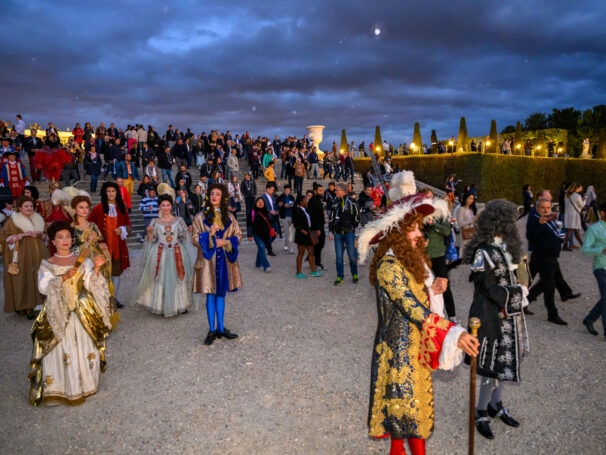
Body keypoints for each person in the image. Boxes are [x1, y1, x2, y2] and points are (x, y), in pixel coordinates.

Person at [357, 195, 479, 455]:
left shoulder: (407, 260)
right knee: (408, 417)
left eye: (418, 227)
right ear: (397, 233)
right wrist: (453, 333)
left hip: (414, 349)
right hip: (398, 355)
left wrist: (433, 290)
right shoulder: (388, 267)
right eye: (412, 228)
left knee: (411, 416)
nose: (418, 234)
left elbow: (418, 299)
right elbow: (411, 308)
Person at [463, 199, 530, 440]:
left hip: (508, 316)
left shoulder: (507, 247)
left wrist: (522, 285)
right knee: (490, 365)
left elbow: (515, 278)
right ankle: (481, 410)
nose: (514, 225)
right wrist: (517, 296)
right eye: (510, 221)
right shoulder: (483, 252)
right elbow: (488, 288)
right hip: (488, 315)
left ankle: (496, 404)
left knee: (505, 360)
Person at [29, 221, 112, 406]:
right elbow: (43, 288)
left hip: (82, 310)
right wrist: (63, 277)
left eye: (68, 237)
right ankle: (61, 388)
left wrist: (97, 268)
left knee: (84, 346)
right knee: (60, 347)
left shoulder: (82, 259)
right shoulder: (47, 264)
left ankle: (86, 384)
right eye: (60, 237)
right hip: (59, 311)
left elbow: (90, 283)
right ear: (53, 241)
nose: (65, 240)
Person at [191, 183, 242, 345]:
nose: (214, 196)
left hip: (224, 263)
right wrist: (210, 235)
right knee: (210, 294)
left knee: (221, 294)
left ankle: (220, 328)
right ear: (208, 196)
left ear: (223, 197)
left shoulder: (230, 218)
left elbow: (238, 236)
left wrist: (225, 241)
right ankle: (211, 330)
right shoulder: (200, 217)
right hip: (208, 263)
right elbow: (194, 239)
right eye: (212, 193)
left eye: (218, 194)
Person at [134, 193, 193, 317]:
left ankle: (180, 304)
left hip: (177, 251)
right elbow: (152, 239)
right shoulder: (155, 221)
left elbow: (182, 236)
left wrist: (188, 231)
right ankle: (161, 305)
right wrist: (149, 233)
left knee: (178, 277)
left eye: (168, 205)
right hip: (160, 253)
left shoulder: (179, 220)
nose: (166, 208)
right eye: (163, 205)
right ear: (159, 207)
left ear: (171, 206)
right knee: (161, 277)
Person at [526, 198, 580, 325]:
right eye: (543, 207)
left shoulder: (550, 220)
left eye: (548, 208)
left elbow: (559, 237)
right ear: (537, 208)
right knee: (549, 286)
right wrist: (539, 224)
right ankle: (552, 314)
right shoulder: (535, 219)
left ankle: (524, 301)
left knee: (544, 282)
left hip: (551, 257)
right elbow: (530, 236)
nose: (546, 210)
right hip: (542, 257)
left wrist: (560, 231)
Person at [71, 194, 119, 328]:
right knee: (88, 289)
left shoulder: (92, 225)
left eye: (86, 207)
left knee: (102, 287)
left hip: (97, 259)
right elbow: (71, 248)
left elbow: (99, 241)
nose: (84, 210)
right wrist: (87, 243)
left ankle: (105, 320)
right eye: (81, 207)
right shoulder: (72, 227)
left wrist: (101, 245)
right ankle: (91, 322)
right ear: (75, 209)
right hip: (84, 261)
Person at [0, 195, 49, 317]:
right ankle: (25, 305)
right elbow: (5, 238)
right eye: (26, 206)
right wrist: (21, 235)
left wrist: (42, 235)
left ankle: (40, 304)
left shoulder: (38, 219)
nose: (29, 208)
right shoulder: (13, 221)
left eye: (31, 206)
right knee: (25, 276)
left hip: (39, 253)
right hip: (22, 254)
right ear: (20, 208)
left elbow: (46, 237)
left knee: (40, 276)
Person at [88, 182, 132, 308]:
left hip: (118, 247)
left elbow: (129, 226)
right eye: (108, 191)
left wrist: (122, 229)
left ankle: (114, 297)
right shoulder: (98, 209)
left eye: (113, 191)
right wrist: (98, 240)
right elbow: (90, 226)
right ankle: (102, 298)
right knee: (102, 273)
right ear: (104, 193)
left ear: (117, 193)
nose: (111, 194)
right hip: (103, 248)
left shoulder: (122, 208)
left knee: (116, 273)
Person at [424, 198, 458, 321]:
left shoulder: (441, 214)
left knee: (444, 285)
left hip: (438, 255)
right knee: (424, 286)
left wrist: (434, 225)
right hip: (424, 256)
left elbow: (446, 230)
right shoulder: (421, 215)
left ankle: (452, 315)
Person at [581, 201, 606, 338]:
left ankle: (589, 320)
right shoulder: (594, 229)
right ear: (602, 213)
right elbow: (585, 250)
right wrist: (602, 250)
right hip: (601, 268)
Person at [328, 182, 360, 285]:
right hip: (338, 233)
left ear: (343, 191)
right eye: (335, 190)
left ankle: (354, 274)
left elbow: (357, 216)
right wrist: (331, 230)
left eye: (337, 190)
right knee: (339, 257)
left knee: (351, 255)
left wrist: (352, 226)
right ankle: (340, 277)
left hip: (349, 233)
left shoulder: (352, 202)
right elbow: (331, 218)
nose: (335, 191)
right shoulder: (335, 203)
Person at [292, 195, 322, 278]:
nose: (307, 201)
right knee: (301, 253)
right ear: (301, 201)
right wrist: (305, 233)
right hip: (302, 235)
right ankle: (298, 273)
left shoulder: (306, 210)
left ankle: (313, 271)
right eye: (305, 199)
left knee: (311, 253)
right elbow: (296, 224)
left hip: (308, 234)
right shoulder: (297, 210)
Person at [250, 197, 273, 272]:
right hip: (257, 234)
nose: (260, 203)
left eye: (262, 201)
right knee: (262, 249)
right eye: (258, 201)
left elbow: (270, 222)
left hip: (266, 235)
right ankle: (266, 266)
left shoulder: (266, 211)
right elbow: (249, 224)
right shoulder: (252, 212)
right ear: (256, 203)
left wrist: (274, 230)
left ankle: (258, 263)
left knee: (261, 249)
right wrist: (249, 235)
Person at [307, 183, 326, 270]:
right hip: (316, 227)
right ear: (315, 191)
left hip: (320, 225)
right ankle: (317, 263)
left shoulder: (318, 200)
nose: (322, 192)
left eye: (322, 190)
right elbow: (313, 216)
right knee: (318, 245)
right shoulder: (313, 201)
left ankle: (310, 258)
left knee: (320, 244)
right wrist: (317, 228)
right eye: (320, 191)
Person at [563, 182, 584, 250]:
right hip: (574, 215)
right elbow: (581, 205)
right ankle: (565, 246)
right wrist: (585, 200)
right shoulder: (577, 196)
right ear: (576, 188)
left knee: (575, 230)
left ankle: (582, 245)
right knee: (571, 230)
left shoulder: (566, 195)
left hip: (568, 214)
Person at [261, 183, 279, 256]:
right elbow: (261, 208)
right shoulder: (262, 198)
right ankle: (269, 250)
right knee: (270, 235)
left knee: (276, 233)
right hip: (267, 218)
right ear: (267, 189)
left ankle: (266, 245)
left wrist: (276, 209)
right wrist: (269, 211)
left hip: (274, 217)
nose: (272, 191)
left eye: (273, 190)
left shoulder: (272, 197)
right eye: (271, 190)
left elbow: (273, 206)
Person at [277, 184, 295, 253]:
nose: (287, 192)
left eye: (289, 190)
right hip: (284, 216)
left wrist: (292, 205)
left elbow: (294, 205)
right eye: (286, 190)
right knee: (287, 232)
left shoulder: (292, 197)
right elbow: (278, 206)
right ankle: (291, 248)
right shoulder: (280, 197)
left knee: (291, 232)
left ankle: (286, 245)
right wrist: (283, 206)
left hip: (291, 216)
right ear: (284, 190)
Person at [241, 173, 257, 239]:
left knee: (252, 208)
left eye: (247, 176)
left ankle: (252, 217)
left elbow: (255, 187)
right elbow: (242, 189)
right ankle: (248, 218)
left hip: (252, 196)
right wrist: (245, 195)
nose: (247, 177)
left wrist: (255, 194)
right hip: (247, 197)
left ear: (249, 176)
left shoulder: (252, 180)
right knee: (248, 208)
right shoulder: (243, 182)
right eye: (246, 176)